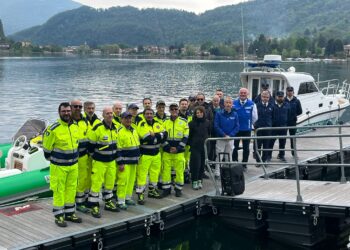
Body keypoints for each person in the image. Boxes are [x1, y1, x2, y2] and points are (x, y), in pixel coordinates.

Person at [43, 102, 82, 227]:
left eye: (68, 111)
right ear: (59, 112)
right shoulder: (53, 129)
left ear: (71, 112)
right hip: (59, 166)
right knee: (59, 190)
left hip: (73, 165)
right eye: (64, 111)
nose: (66, 113)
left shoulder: (75, 126)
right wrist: (55, 160)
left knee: (71, 189)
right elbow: (47, 149)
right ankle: (59, 215)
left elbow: (77, 145)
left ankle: (70, 213)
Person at [87, 106, 119, 218]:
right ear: (103, 115)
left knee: (109, 183)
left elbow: (116, 145)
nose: (110, 115)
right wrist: (96, 156)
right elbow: (90, 146)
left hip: (111, 161)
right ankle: (93, 205)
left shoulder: (115, 128)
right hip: (99, 162)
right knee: (96, 184)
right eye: (107, 113)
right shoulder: (97, 128)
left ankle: (108, 202)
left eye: (111, 113)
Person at [136, 108, 168, 204]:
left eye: (151, 113)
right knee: (142, 175)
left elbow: (165, 134)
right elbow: (146, 138)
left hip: (156, 153)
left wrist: (155, 135)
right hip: (145, 154)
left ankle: (152, 190)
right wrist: (159, 136)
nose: (149, 115)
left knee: (155, 173)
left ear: (153, 114)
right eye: (147, 114)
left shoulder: (157, 124)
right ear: (144, 115)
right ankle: (140, 194)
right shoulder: (141, 124)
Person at [160, 103, 189, 197]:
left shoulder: (184, 121)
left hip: (179, 152)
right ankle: (166, 189)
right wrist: (168, 147)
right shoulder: (164, 121)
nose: (174, 111)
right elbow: (162, 137)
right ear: (169, 111)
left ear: (178, 110)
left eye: (175, 109)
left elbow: (186, 136)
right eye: (172, 109)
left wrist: (178, 148)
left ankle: (178, 189)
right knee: (166, 171)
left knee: (179, 171)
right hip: (167, 151)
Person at [116, 111, 141, 209]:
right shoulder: (119, 131)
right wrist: (120, 162)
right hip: (125, 162)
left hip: (133, 161)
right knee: (123, 182)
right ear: (121, 119)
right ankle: (120, 201)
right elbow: (118, 149)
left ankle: (128, 197)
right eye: (126, 118)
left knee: (131, 181)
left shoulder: (134, 130)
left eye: (130, 118)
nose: (128, 120)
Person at [71, 99, 91, 213]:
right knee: (71, 181)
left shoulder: (85, 121)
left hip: (83, 156)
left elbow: (87, 137)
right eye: (75, 106)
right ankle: (67, 204)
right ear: (71, 107)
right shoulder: (67, 121)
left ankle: (79, 202)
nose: (78, 108)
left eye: (79, 106)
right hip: (70, 158)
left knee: (82, 179)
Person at [232, 88, 258, 170]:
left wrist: (248, 123)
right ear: (239, 94)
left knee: (246, 148)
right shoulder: (233, 103)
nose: (243, 94)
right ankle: (235, 162)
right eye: (241, 93)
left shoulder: (252, 104)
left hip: (246, 129)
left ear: (247, 94)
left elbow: (255, 117)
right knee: (234, 147)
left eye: (244, 93)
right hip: (236, 129)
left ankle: (244, 164)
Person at [214, 97, 240, 177]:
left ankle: (228, 172)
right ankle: (217, 172)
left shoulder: (235, 114)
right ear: (224, 104)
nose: (228, 104)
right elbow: (216, 125)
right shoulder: (219, 113)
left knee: (229, 156)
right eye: (226, 102)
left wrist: (231, 135)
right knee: (219, 156)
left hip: (230, 139)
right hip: (221, 138)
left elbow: (237, 126)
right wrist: (224, 135)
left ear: (232, 104)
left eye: (230, 103)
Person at [188, 106, 211, 190]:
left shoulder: (207, 122)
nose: (199, 114)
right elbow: (189, 136)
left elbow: (209, 133)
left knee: (202, 164)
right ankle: (194, 180)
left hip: (204, 146)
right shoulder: (191, 123)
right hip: (195, 147)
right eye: (197, 113)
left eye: (200, 112)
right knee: (196, 164)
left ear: (203, 113)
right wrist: (191, 144)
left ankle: (200, 180)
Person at [269, 91, 290, 162]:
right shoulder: (271, 105)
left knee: (282, 142)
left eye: (281, 97)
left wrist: (287, 123)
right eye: (279, 97)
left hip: (283, 127)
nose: (280, 98)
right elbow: (269, 116)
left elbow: (290, 115)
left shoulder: (287, 105)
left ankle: (281, 155)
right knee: (271, 142)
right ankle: (268, 156)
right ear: (276, 97)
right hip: (273, 127)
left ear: (283, 97)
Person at [254, 91, 274, 164]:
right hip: (258, 128)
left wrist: (271, 125)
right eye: (264, 97)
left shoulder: (272, 106)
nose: (265, 98)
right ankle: (258, 161)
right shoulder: (256, 105)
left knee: (266, 145)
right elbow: (253, 117)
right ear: (261, 97)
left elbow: (273, 117)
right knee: (258, 145)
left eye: (267, 97)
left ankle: (264, 160)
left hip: (268, 129)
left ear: (269, 98)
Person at [284, 86, 302, 156]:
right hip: (284, 122)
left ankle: (293, 152)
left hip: (293, 122)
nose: (289, 92)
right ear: (286, 92)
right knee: (283, 138)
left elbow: (300, 111)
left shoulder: (297, 101)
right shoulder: (283, 100)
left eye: (291, 91)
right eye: (288, 91)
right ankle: (281, 153)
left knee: (293, 138)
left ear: (293, 92)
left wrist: (294, 115)